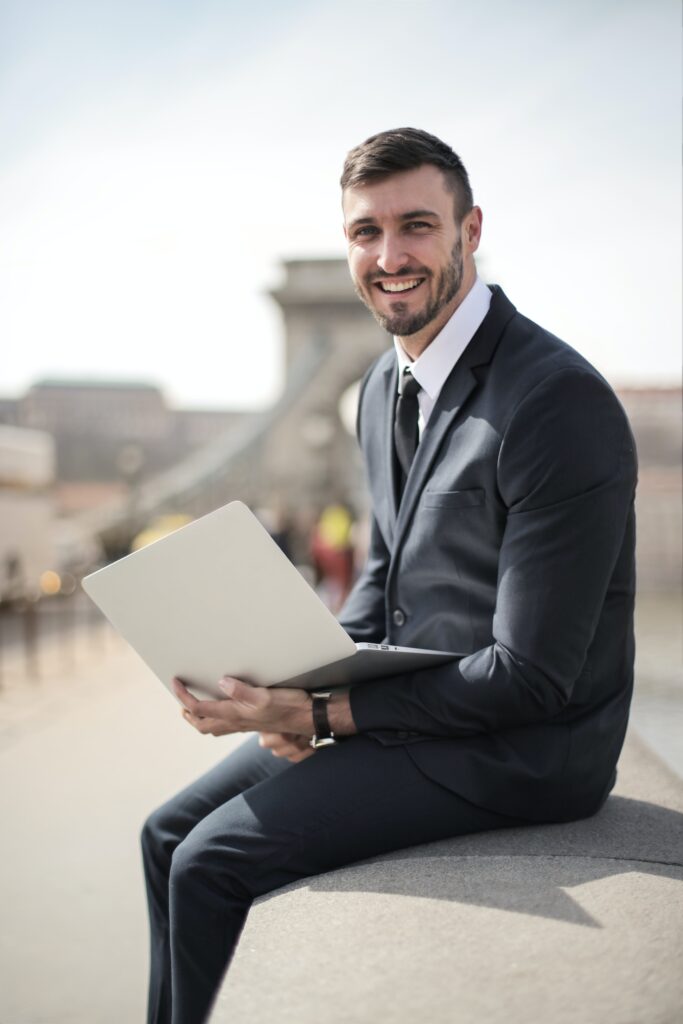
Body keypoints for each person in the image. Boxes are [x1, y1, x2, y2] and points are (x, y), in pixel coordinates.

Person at [141, 127, 637, 1024]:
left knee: (209, 862)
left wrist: (326, 715)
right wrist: (278, 691)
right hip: (418, 716)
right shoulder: (379, 386)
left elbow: (531, 677)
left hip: (524, 752)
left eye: (416, 226)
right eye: (365, 232)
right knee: (164, 833)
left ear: (470, 230)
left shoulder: (554, 402)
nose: (388, 255)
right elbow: (381, 578)